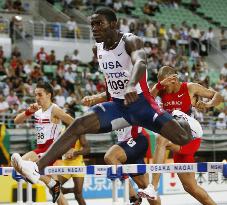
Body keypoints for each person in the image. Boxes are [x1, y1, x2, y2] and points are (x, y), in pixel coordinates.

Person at [11, 7, 193, 185]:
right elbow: (110, 79)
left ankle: (182, 119)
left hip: (141, 104)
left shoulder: (130, 40)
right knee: (78, 124)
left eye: (100, 23)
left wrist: (131, 84)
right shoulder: (97, 49)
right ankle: (36, 168)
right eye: (92, 24)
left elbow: (141, 62)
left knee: (183, 137)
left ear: (114, 24)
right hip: (119, 107)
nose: (95, 28)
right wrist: (102, 97)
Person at [138, 66, 223, 205]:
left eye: (166, 85)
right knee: (191, 188)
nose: (164, 89)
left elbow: (218, 96)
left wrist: (208, 105)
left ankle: (153, 187)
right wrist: (159, 86)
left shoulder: (190, 88)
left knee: (161, 138)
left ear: (174, 80)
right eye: (162, 85)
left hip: (191, 138)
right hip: (176, 138)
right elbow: (146, 102)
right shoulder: (161, 89)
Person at [11, 82, 74, 204]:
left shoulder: (54, 109)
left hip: (50, 150)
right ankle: (52, 183)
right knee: (57, 194)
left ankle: (51, 182)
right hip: (41, 149)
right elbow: (16, 121)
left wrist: (70, 146)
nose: (37, 98)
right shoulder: (37, 109)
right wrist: (28, 111)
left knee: (19, 163)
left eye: (40, 95)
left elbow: (74, 123)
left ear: (49, 95)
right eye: (36, 95)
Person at [55, 109, 90, 205]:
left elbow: (87, 149)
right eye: (63, 116)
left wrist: (75, 153)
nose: (65, 118)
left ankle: (76, 191)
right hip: (65, 165)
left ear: (72, 119)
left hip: (78, 165)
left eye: (67, 116)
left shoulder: (80, 131)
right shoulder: (61, 131)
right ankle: (73, 190)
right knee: (54, 189)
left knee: (78, 196)